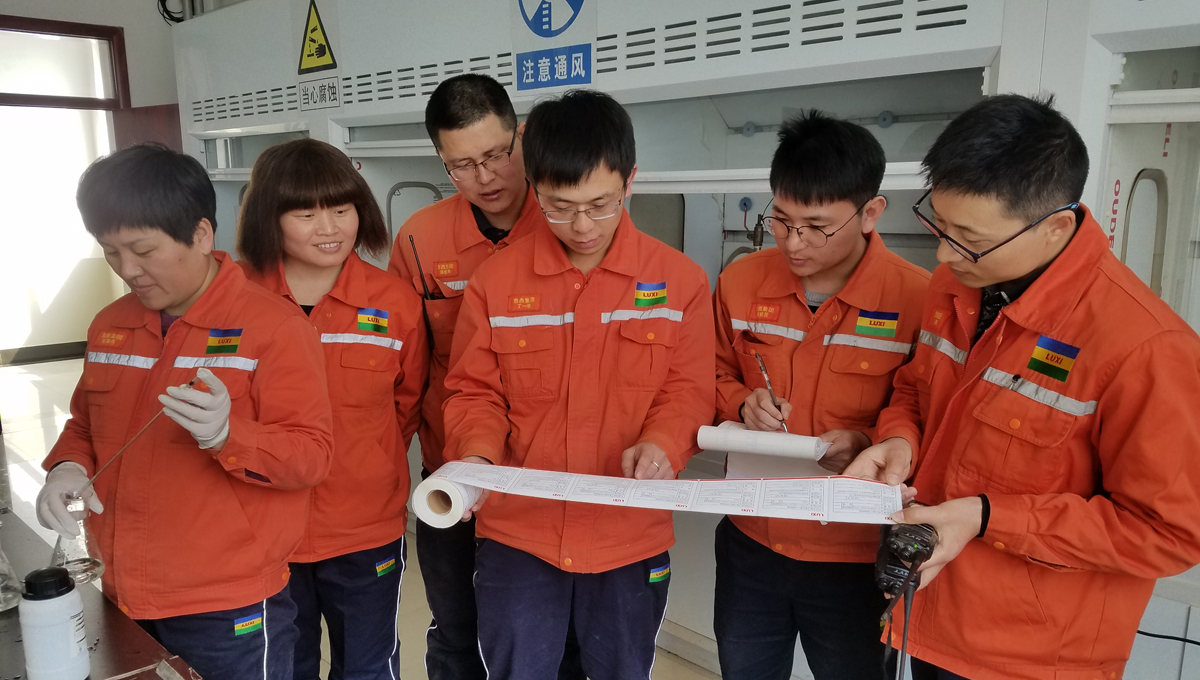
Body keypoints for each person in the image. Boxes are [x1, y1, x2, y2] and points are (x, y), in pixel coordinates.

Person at [845, 95, 1200, 680]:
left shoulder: (1146, 347)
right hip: (928, 616)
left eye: (968, 237)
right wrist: (900, 441)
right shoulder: (954, 286)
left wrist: (986, 517)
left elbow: (1168, 533)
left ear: (1056, 225)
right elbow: (915, 389)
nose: (944, 253)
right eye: (939, 225)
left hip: (1033, 656)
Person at [440, 89, 716, 680]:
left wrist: (664, 444)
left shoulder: (681, 282)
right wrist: (476, 458)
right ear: (534, 187)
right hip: (520, 535)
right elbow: (474, 392)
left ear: (630, 182)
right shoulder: (496, 282)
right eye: (560, 207)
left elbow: (689, 390)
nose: (583, 226)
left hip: (628, 534)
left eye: (601, 204)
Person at [36, 143, 335, 680]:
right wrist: (67, 466)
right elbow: (84, 424)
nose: (128, 269)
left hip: (226, 603)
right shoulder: (111, 324)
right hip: (122, 591)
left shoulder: (275, 328)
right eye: (110, 251)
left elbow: (311, 456)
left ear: (200, 234)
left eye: (143, 250)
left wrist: (228, 435)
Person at [712, 111, 930, 680]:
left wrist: (870, 441)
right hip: (751, 539)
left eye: (817, 226)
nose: (794, 241)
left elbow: (929, 413)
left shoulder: (918, 300)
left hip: (854, 554)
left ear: (871, 213)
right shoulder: (740, 282)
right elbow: (705, 374)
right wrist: (740, 402)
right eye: (781, 220)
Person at [237, 138, 429, 680]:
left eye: (342, 210)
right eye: (306, 214)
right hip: (263, 530)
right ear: (269, 218)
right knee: (282, 668)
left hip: (363, 528)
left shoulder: (394, 303)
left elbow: (406, 407)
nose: (330, 228)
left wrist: (366, 459)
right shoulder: (233, 300)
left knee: (367, 668)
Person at [386, 73, 553, 679]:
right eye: (461, 165)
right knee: (455, 630)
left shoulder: (566, 222)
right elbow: (405, 368)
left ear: (521, 137)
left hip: (542, 476)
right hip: (453, 468)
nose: (485, 178)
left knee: (544, 639)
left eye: (496, 155)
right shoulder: (421, 240)